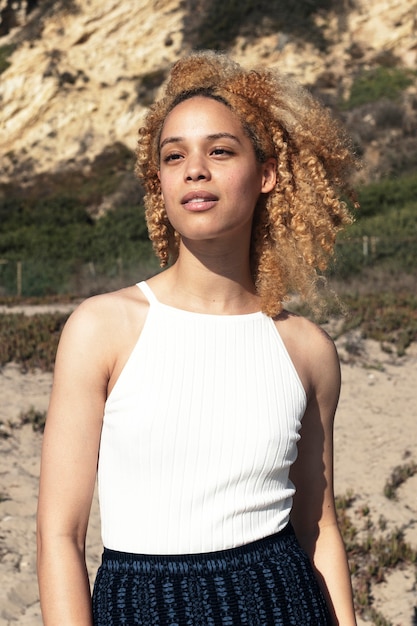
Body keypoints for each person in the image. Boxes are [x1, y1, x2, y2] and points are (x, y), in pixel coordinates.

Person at [37, 51, 359, 625]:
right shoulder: (102, 328)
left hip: (284, 603)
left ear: (266, 174)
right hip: (140, 608)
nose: (195, 170)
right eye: (174, 155)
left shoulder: (308, 350)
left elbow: (318, 525)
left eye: (220, 151)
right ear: (158, 180)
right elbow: (60, 535)